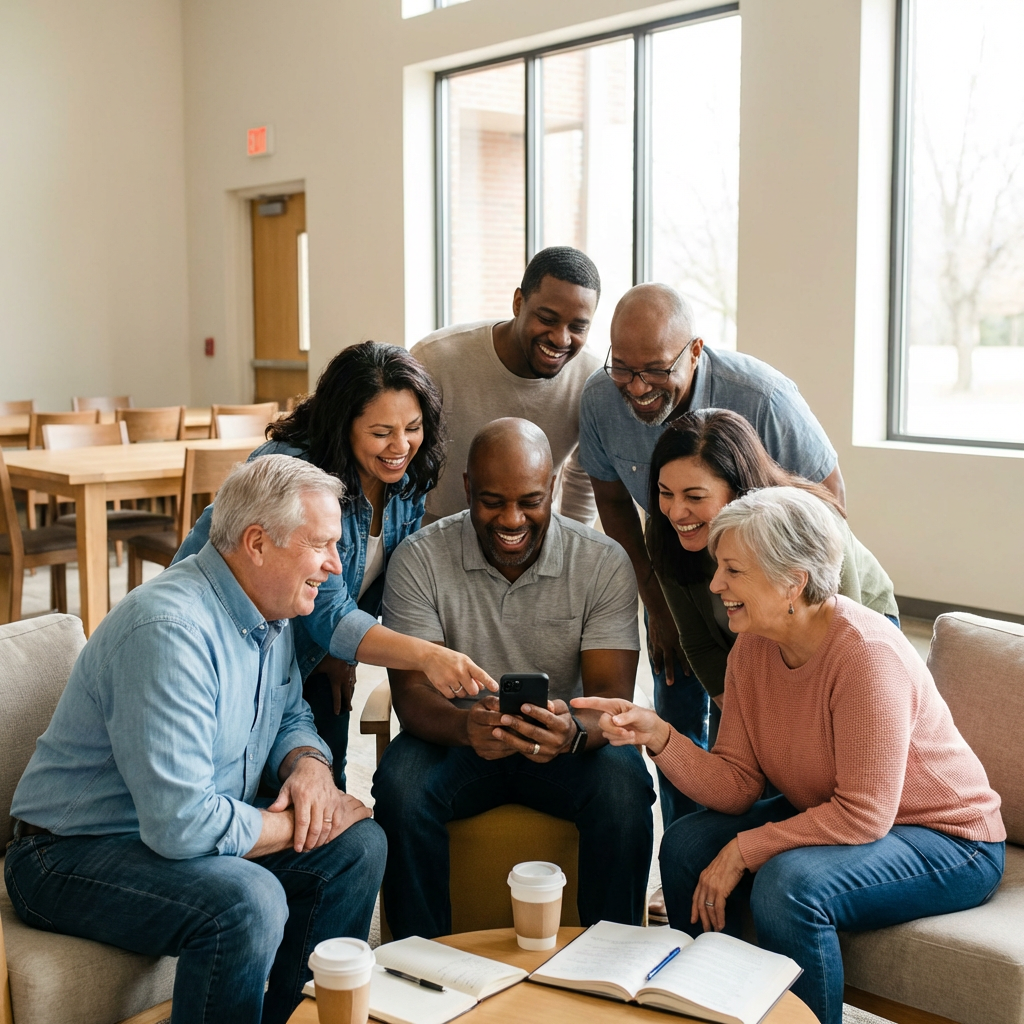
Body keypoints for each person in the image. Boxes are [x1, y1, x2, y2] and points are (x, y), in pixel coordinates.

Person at [575, 487, 1005, 1024]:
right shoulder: (753, 647)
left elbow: (865, 813)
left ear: (792, 582)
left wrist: (745, 850)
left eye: (733, 570)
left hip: (947, 838)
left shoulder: (865, 656)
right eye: (717, 568)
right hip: (849, 816)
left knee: (788, 885)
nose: (715, 585)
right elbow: (736, 784)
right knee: (686, 844)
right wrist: (659, 736)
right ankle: (706, 1007)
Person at [6, 456, 390, 1024]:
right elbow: (182, 824)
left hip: (165, 832)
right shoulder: (169, 631)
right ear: (257, 542)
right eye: (321, 546)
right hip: (68, 854)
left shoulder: (270, 608)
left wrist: (308, 764)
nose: (336, 567)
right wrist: (301, 823)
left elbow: (288, 712)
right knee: (248, 901)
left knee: (359, 850)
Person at [371, 418, 655, 939]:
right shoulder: (418, 558)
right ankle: (420, 963)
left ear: (552, 489)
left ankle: (608, 962)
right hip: (455, 738)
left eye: (530, 500)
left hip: (564, 745)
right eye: (492, 500)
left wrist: (572, 734)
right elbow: (411, 697)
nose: (511, 518)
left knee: (625, 786)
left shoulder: (601, 562)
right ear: (467, 490)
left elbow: (610, 700)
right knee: (400, 788)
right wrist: (464, 729)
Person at [578, 282, 844, 830]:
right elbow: (612, 501)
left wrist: (778, 618)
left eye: (654, 369)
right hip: (682, 573)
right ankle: (689, 844)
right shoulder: (605, 401)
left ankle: (765, 844)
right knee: (677, 707)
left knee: (786, 747)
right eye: (623, 368)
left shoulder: (764, 400)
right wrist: (658, 608)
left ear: (694, 351)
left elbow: (831, 511)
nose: (637, 386)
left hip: (782, 584)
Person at [175, 341, 497, 789]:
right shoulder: (293, 474)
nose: (400, 446)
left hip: (314, 647)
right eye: (382, 432)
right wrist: (425, 655)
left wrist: (340, 649)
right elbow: (328, 612)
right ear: (344, 423)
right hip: (232, 647)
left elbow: (381, 580)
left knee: (325, 781)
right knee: (242, 786)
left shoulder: (405, 477)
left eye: (414, 427)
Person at [647, 408, 898, 706]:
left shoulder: (807, 520)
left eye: (695, 497)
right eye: (666, 493)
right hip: (753, 647)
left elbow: (843, 634)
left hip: (850, 637)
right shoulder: (664, 532)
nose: (676, 512)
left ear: (738, 489)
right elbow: (699, 643)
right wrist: (743, 721)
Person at [412, 245, 602, 525]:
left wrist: (571, 542)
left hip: (529, 540)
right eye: (547, 319)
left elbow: (584, 473)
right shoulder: (434, 359)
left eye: (577, 327)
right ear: (518, 302)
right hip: (432, 535)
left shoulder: (591, 380)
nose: (561, 339)